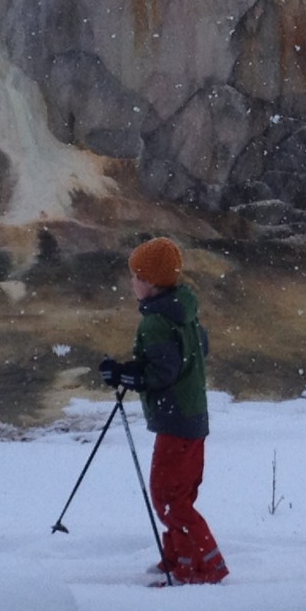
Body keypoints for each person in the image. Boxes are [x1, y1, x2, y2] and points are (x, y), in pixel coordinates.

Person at [99, 237, 230, 585]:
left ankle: (201, 568)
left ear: (151, 282)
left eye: (136, 277)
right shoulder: (185, 312)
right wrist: (132, 370)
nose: (132, 283)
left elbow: (162, 372)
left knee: (168, 499)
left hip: (176, 421)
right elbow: (198, 350)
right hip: (193, 418)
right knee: (177, 496)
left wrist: (128, 373)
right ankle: (178, 559)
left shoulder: (156, 321)